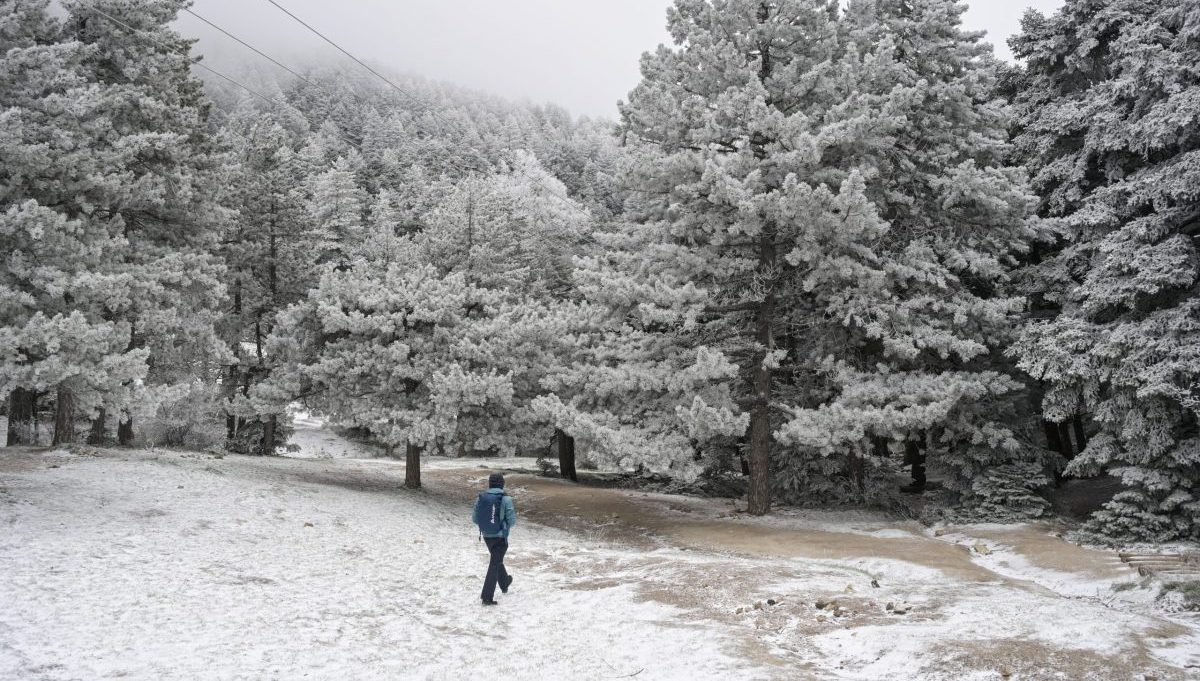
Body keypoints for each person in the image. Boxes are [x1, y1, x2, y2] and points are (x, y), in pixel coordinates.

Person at [472, 472, 516, 606]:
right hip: (500, 538)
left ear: (490, 484)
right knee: (494, 563)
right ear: (502, 484)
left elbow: (474, 519)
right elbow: (512, 522)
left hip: (486, 535)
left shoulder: (480, 498)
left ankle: (504, 582)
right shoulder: (506, 499)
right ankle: (487, 597)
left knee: (496, 560)